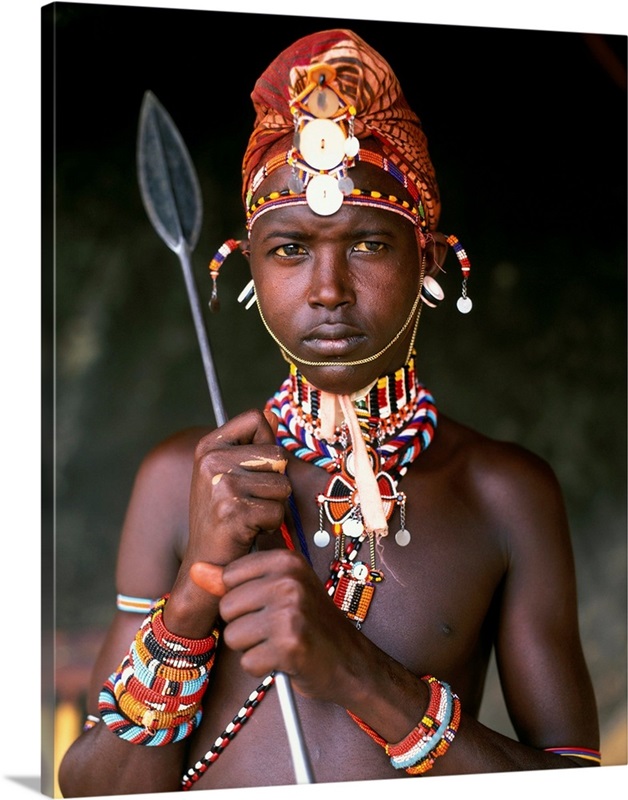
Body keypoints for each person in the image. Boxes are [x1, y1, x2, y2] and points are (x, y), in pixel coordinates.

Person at [58, 28, 600, 796]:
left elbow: (578, 787)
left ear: (432, 259)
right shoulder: (186, 476)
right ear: (247, 264)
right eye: (289, 250)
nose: (327, 291)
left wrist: (358, 675)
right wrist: (194, 594)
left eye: (370, 244)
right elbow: (90, 787)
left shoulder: (505, 494)